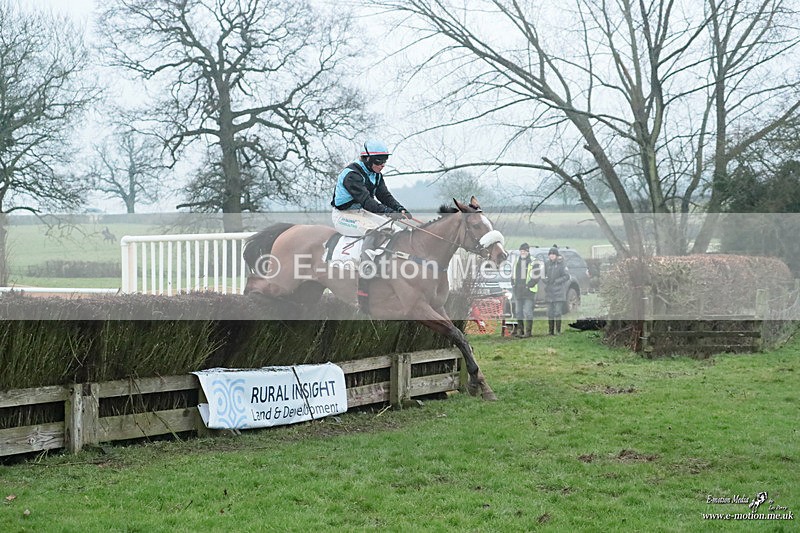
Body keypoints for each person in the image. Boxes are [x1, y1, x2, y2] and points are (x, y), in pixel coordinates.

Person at [331, 140, 411, 261]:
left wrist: (399, 208)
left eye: (385, 160)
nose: (382, 165)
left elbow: (385, 196)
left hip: (362, 213)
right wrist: (388, 211)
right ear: (367, 159)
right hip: (343, 216)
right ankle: (366, 263)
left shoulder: (376, 175)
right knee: (374, 230)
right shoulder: (352, 175)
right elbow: (367, 202)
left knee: (395, 229)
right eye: (379, 161)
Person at [510, 243, 539, 337]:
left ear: (527, 251)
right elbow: (513, 274)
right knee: (518, 312)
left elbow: (536, 276)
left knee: (528, 312)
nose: (522, 252)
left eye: (524, 251)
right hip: (518, 291)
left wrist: (528, 286)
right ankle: (520, 331)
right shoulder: (516, 261)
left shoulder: (534, 262)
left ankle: (528, 332)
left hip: (529, 291)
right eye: (521, 251)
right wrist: (513, 283)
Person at [543, 245, 570, 335]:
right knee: (550, 313)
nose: (551, 256)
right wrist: (545, 280)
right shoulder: (547, 264)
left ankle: (558, 331)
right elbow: (542, 275)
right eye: (550, 254)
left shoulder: (561, 264)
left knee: (558, 312)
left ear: (557, 255)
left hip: (559, 292)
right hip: (549, 292)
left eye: (553, 254)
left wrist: (557, 281)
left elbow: (566, 276)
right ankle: (550, 331)